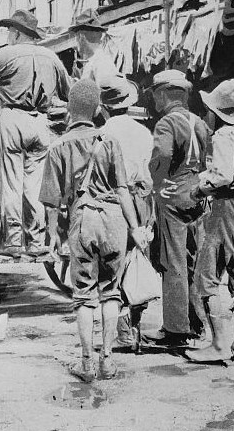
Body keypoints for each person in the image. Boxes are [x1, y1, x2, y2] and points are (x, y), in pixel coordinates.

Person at [40, 80, 150, 381]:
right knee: (111, 292)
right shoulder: (109, 141)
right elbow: (123, 190)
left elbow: (52, 204)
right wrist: (136, 228)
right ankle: (107, 361)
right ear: (97, 109)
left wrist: (52, 240)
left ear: (69, 112)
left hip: (83, 219)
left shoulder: (58, 147)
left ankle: (86, 364)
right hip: (115, 219)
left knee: (84, 296)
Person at [0, 9, 70, 257]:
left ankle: (12, 241)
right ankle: (34, 241)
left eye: (10, 31)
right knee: (34, 186)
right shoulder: (52, 57)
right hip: (41, 122)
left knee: (11, 183)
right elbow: (68, 92)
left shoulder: (5, 54)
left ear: (15, 33)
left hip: (13, 118)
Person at [187, 79, 234, 364]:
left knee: (206, 278)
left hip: (227, 208)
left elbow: (223, 176)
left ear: (216, 113)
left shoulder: (222, 137)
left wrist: (199, 188)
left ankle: (217, 343)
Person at [145, 69, 210, 348]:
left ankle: (175, 329)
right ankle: (197, 323)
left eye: (156, 95)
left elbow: (162, 157)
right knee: (194, 261)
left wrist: (158, 185)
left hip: (172, 195)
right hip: (195, 193)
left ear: (163, 94)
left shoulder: (166, 123)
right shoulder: (200, 122)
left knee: (173, 261)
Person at [98, 75, 155, 350]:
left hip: (115, 201)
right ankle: (135, 324)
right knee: (139, 257)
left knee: (114, 263)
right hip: (143, 197)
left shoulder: (104, 133)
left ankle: (121, 324)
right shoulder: (143, 132)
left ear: (104, 106)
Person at [70, 9, 120, 87]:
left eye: (76, 37)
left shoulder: (100, 63)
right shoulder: (96, 61)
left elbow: (105, 97)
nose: (75, 42)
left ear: (81, 36)